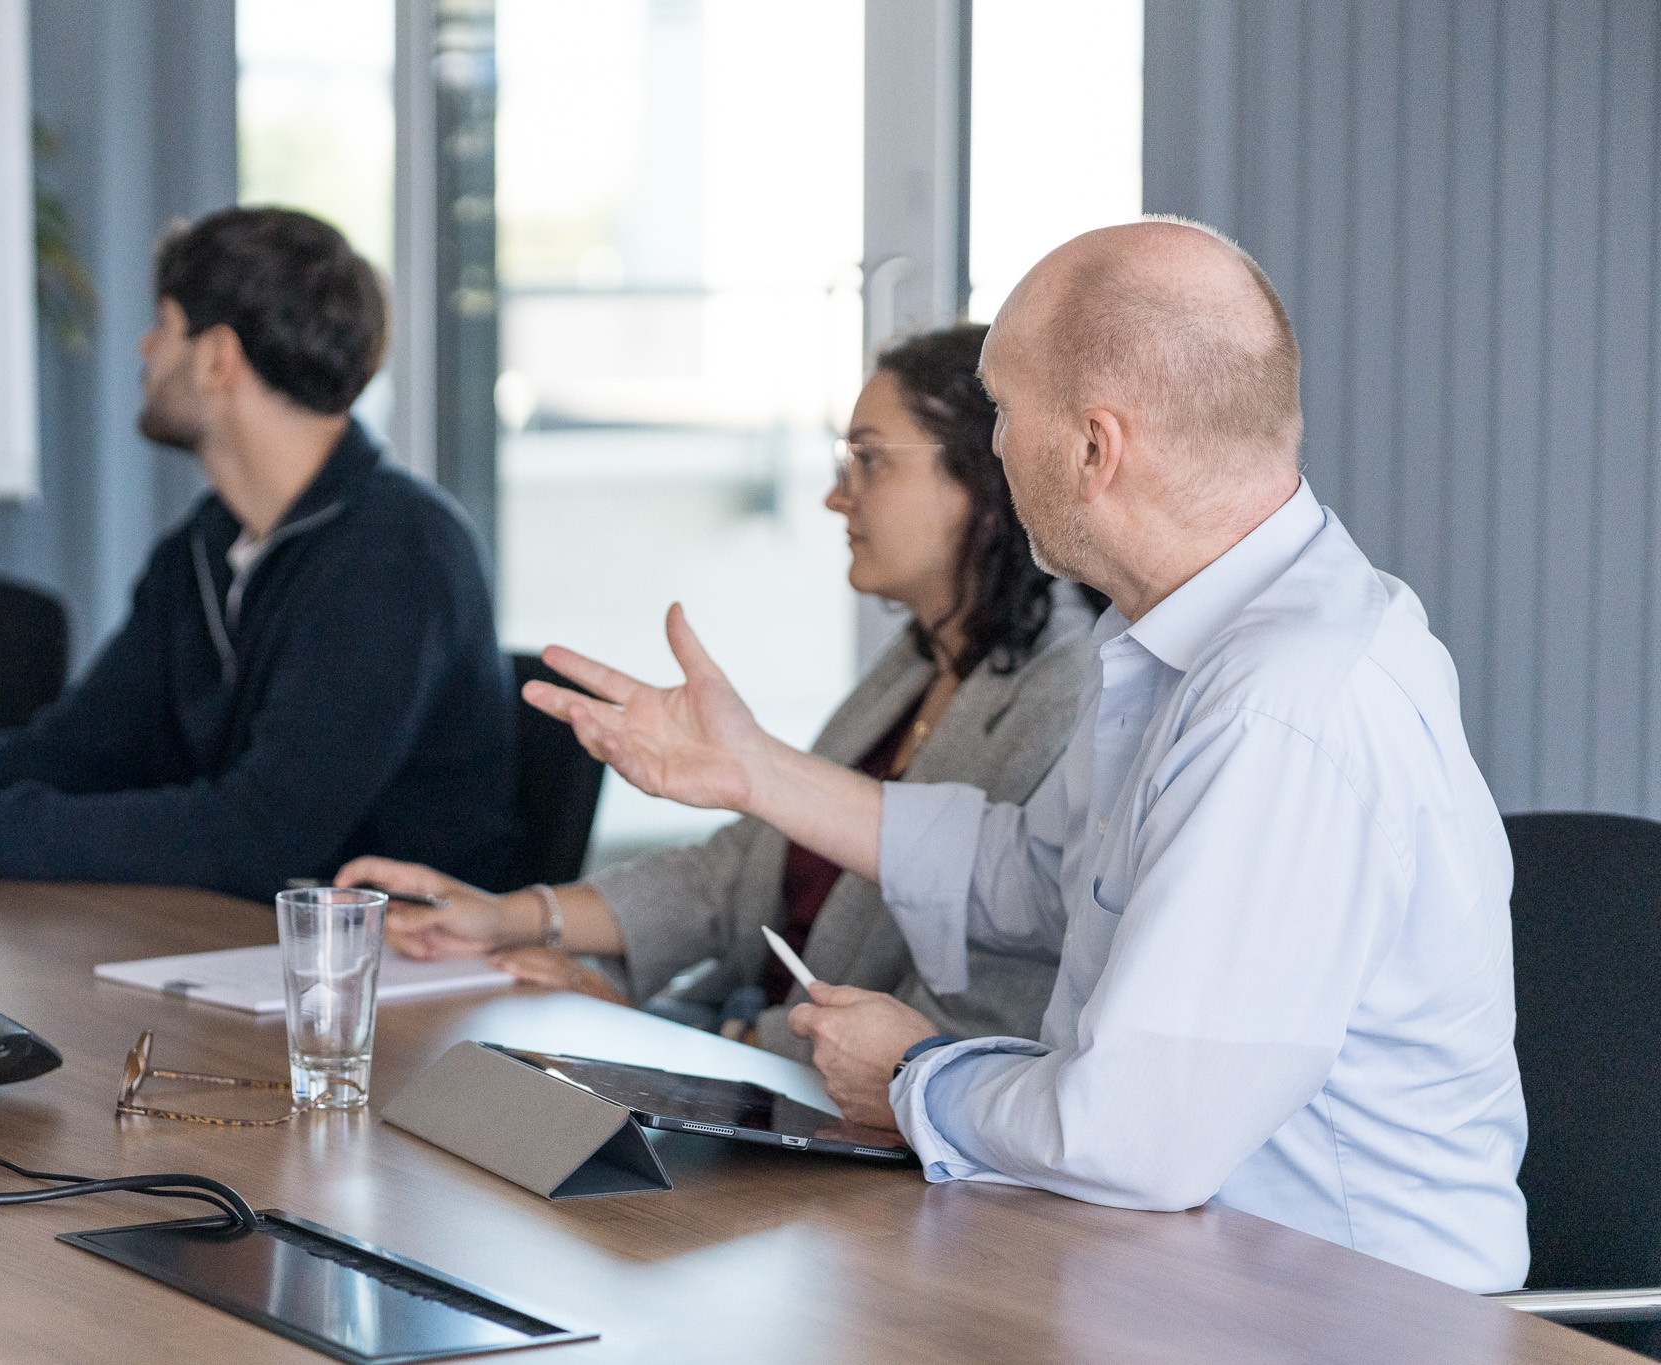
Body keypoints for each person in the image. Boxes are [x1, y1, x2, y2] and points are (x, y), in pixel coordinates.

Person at [514, 219, 1527, 1294]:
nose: (992, 451)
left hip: (1340, 1318)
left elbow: (1136, 1134)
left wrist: (913, 1074)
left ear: (1093, 448)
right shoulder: (1190, 645)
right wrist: (754, 770)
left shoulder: (1279, 708)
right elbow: (1030, 880)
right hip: (1175, 1272)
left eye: (1000, 411)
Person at [338, 324, 1097, 1060]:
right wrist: (512, 916)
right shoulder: (923, 655)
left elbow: (967, 1023)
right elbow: (745, 867)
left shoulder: (1063, 690)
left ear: (983, 477)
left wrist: (665, 1037)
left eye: (869, 461)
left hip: (831, 1106)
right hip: (737, 1034)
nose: (839, 496)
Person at [0, 208, 520, 903]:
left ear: (217, 358)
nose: (144, 350)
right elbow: (85, 745)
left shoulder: (399, 554)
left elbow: (262, 836)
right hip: (235, 950)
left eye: (164, 326)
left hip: (390, 989)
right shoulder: (208, 544)